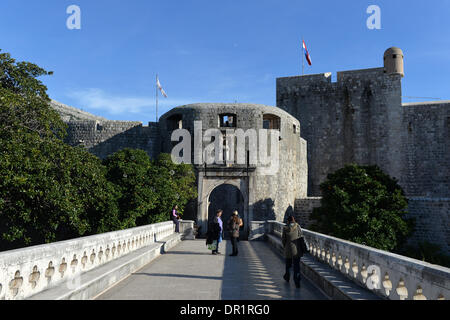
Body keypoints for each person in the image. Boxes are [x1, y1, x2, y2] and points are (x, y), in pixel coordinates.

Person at [281, 216, 304, 288]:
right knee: (296, 266)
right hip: (297, 250)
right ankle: (297, 281)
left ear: (288, 221)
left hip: (288, 250)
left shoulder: (285, 228)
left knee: (288, 265)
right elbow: (301, 237)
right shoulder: (298, 226)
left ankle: (287, 277)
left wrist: (285, 247)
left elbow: (283, 240)